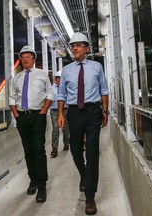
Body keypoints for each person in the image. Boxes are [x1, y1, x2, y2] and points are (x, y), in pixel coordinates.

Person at [57, 32, 109, 215]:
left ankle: (90, 197)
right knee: (75, 149)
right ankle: (84, 174)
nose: (75, 48)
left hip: (93, 111)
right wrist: (61, 114)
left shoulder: (96, 67)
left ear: (86, 48)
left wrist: (105, 111)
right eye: (73, 46)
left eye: (79, 45)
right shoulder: (67, 70)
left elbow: (104, 89)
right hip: (74, 112)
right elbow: (61, 94)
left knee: (93, 151)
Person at [9, 45, 54, 203]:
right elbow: (12, 97)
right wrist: (16, 115)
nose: (25, 59)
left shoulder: (42, 75)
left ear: (34, 59)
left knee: (38, 150)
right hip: (22, 117)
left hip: (37, 116)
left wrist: (43, 112)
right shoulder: (17, 77)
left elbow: (50, 93)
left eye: (28, 56)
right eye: (23, 57)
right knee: (28, 150)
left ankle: (42, 186)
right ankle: (33, 180)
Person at [50, 70, 70, 158]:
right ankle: (54, 148)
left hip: (65, 110)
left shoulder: (66, 88)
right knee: (55, 129)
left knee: (65, 129)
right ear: (55, 79)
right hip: (54, 111)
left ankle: (66, 143)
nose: (59, 80)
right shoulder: (51, 89)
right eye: (58, 78)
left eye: (61, 79)